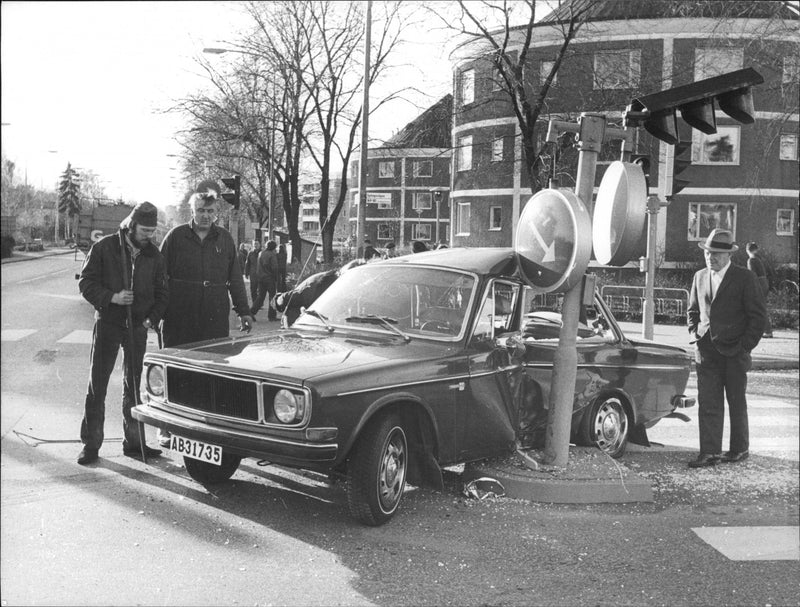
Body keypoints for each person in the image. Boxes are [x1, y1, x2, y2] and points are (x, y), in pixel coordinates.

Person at [158, 182, 253, 447]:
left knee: (210, 372)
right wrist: (156, 313)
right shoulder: (176, 237)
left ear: (217, 213)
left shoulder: (224, 239)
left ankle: (205, 430)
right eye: (200, 210)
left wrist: (243, 311)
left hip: (213, 317)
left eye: (210, 211)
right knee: (175, 371)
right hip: (179, 316)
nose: (205, 216)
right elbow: (159, 278)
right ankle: (167, 426)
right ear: (192, 210)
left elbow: (235, 279)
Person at [76, 201, 168, 465]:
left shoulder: (154, 255)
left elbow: (163, 293)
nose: (148, 235)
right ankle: (91, 445)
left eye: (152, 230)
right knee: (98, 385)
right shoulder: (105, 248)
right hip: (108, 323)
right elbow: (86, 282)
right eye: (144, 230)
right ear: (131, 225)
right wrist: (112, 297)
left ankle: (134, 443)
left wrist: (150, 320)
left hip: (138, 327)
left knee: (135, 387)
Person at [687, 229, 767, 468]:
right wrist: (695, 335)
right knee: (708, 402)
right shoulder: (699, 276)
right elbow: (693, 311)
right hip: (706, 350)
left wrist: (745, 347)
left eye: (717, 254)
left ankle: (739, 449)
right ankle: (709, 452)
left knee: (736, 400)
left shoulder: (745, 278)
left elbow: (758, 317)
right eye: (708, 253)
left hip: (735, 351)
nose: (711, 257)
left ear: (729, 255)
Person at [746, 242, 773, 338]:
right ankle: (766, 329)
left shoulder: (751, 260)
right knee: (761, 306)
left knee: (759, 307)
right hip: (765, 282)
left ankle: (767, 330)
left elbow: (752, 275)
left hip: (758, 283)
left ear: (747, 250)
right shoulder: (760, 259)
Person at [251, 239, 279, 321]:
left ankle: (251, 312)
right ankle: (272, 316)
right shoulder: (272, 255)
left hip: (261, 278)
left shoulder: (261, 253)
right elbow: (274, 268)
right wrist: (276, 278)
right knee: (272, 297)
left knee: (260, 297)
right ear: (273, 247)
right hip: (269, 278)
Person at [244, 239, 262, 308]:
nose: (256, 245)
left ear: (259, 245)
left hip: (261, 273)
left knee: (260, 289)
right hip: (253, 274)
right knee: (253, 289)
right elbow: (247, 263)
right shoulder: (250, 253)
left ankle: (259, 303)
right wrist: (246, 273)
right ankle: (255, 303)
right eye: (254, 244)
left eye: (257, 244)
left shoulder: (262, 253)